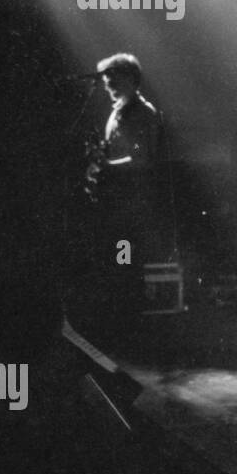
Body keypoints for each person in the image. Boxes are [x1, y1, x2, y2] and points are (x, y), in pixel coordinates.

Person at [89, 52, 164, 332]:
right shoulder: (118, 111)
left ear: (131, 80)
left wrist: (107, 167)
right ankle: (121, 321)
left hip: (132, 203)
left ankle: (131, 325)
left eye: (113, 80)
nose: (107, 85)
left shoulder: (143, 114)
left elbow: (141, 159)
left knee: (128, 265)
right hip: (117, 200)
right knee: (116, 265)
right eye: (106, 80)